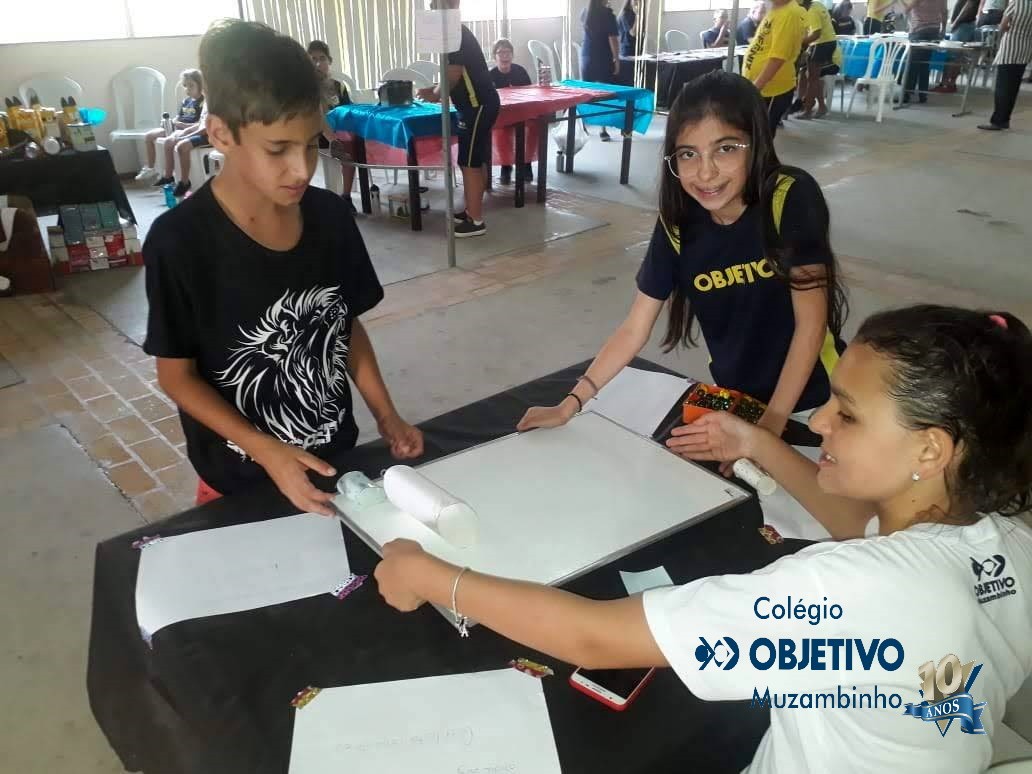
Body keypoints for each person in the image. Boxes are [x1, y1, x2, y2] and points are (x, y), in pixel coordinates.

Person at [376, 303, 1032, 774]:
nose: (820, 421)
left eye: (848, 414)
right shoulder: (1006, 544)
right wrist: (759, 444)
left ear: (930, 449)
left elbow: (594, 638)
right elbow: (856, 523)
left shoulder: (854, 591)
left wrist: (431, 576)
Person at [143, 19, 423, 513]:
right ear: (221, 133)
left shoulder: (330, 217)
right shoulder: (180, 241)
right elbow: (176, 376)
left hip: (335, 459)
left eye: (311, 144)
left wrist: (386, 414)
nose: (301, 169)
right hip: (238, 478)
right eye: (277, 149)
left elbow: (342, 324)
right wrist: (266, 451)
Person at [519, 71, 847, 442]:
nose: (706, 173)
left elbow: (810, 325)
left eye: (726, 148)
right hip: (742, 406)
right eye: (688, 154)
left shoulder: (789, 197)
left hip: (819, 404)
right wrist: (570, 404)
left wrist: (768, 432)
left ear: (757, 143)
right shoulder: (678, 224)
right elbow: (634, 328)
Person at [417, 0, 500, 238]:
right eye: (432, 5)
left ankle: (476, 221)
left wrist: (436, 94)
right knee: (474, 160)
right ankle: (472, 210)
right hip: (472, 106)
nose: (433, 8)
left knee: (469, 162)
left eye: (438, 4)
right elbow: (457, 74)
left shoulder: (455, 33)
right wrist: (435, 88)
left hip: (477, 106)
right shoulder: (452, 33)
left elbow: (453, 76)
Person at [743, 0, 809, 136]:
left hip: (773, 89)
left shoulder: (789, 14)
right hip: (762, 88)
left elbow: (778, 58)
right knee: (753, 132)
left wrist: (755, 88)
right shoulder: (775, 9)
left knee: (762, 134)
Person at [307, 40, 357, 213]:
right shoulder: (306, 88)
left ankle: (346, 197)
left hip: (341, 135)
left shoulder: (338, 86)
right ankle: (334, 142)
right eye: (313, 59)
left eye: (322, 58)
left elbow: (348, 111)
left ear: (329, 61)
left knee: (351, 149)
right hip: (317, 138)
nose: (318, 63)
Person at [135, 69, 204, 185]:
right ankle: (150, 168)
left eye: (191, 86)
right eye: (185, 86)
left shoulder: (203, 102)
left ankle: (169, 174)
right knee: (149, 136)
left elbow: (201, 124)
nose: (187, 89)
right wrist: (171, 121)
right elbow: (180, 116)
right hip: (177, 127)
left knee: (169, 141)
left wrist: (182, 125)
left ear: (200, 85)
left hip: (187, 129)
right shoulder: (186, 101)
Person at [979, 0, 1032, 130]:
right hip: (1026, 48)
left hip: (1010, 47)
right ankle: (1005, 120)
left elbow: (1003, 26)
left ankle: (998, 121)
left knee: (1002, 86)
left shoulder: (1016, 3)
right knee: (1013, 87)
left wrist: (1010, 29)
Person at [488, 38, 534, 186]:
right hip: (501, 114)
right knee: (502, 132)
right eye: (500, 52)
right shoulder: (491, 75)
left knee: (531, 129)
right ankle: (506, 166)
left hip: (521, 111)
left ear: (512, 55)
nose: (504, 56)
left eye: (507, 52)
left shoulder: (520, 71)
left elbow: (530, 94)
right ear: (494, 56)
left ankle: (526, 164)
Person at [581, 0, 621, 139]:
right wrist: (617, 59)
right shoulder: (608, 14)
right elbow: (613, 39)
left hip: (587, 56)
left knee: (585, 93)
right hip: (603, 57)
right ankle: (603, 130)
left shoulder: (585, 12)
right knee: (604, 94)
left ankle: (582, 125)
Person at [798, 0, 844, 119]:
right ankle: (821, 107)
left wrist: (799, 43)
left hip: (821, 44)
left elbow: (816, 34)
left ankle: (808, 110)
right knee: (811, 76)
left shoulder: (811, 11)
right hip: (828, 43)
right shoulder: (818, 4)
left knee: (812, 78)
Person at [901, 0, 948, 103]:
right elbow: (944, 12)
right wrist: (943, 29)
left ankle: (906, 94)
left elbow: (907, 9)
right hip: (934, 30)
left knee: (912, 64)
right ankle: (923, 94)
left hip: (919, 29)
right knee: (925, 63)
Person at [617, 0, 639, 84]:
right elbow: (633, 33)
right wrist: (638, 16)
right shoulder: (625, 14)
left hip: (636, 48)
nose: (638, 2)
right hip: (628, 49)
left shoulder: (634, 13)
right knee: (630, 78)